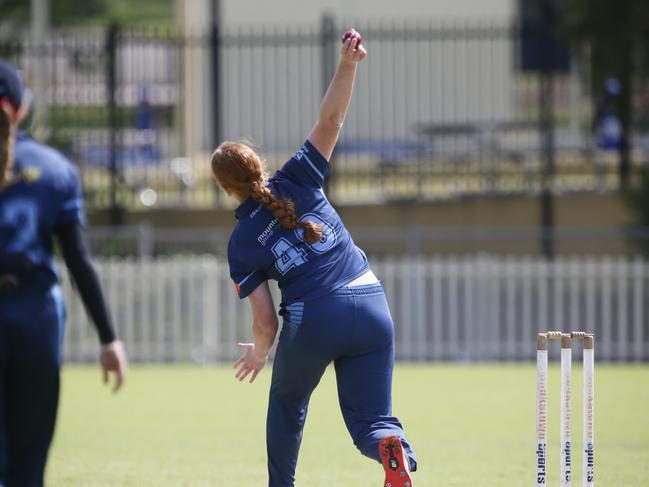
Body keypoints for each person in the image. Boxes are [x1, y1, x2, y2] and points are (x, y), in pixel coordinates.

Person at [211, 31, 416, 487]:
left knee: (287, 402)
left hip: (315, 316)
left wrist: (261, 354)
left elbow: (266, 324)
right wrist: (349, 62)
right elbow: (331, 119)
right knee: (371, 420)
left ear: (226, 189)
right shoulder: (298, 178)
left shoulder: (241, 243)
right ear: (259, 167)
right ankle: (391, 447)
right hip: (371, 301)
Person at [0, 60, 128, 487]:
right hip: (34, 318)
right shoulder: (54, 169)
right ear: (21, 108)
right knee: (29, 456)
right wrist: (108, 337)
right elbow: (77, 259)